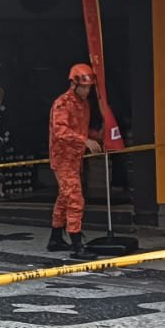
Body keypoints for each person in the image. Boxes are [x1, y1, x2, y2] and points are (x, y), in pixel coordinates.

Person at [47, 64, 102, 259]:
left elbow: (81, 130)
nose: (87, 91)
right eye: (84, 87)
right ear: (74, 84)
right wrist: (85, 141)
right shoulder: (62, 104)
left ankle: (55, 239)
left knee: (64, 198)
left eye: (89, 87)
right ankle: (77, 245)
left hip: (75, 158)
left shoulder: (84, 104)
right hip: (63, 158)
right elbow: (60, 131)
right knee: (75, 199)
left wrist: (97, 136)